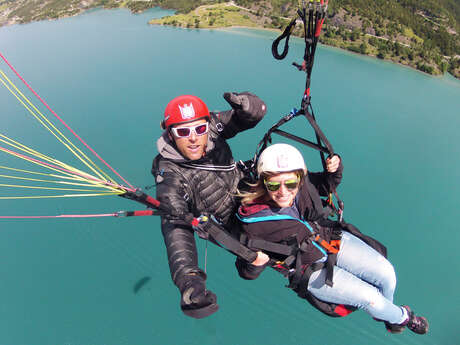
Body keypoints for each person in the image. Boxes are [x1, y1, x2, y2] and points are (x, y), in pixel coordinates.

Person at [235, 143, 429, 335]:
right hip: (308, 268)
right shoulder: (254, 222)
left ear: (300, 178)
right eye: (274, 185)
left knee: (388, 274)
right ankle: (403, 317)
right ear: (263, 183)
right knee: (371, 298)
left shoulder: (304, 186)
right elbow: (245, 269)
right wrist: (255, 264)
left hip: (330, 239)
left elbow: (327, 184)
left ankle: (385, 314)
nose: (284, 191)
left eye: (291, 183)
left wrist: (335, 169)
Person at [151, 92, 266, 319]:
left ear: (206, 125)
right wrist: (189, 282)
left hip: (251, 193)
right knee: (266, 249)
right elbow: (176, 228)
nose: (193, 138)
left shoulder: (211, 125)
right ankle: (249, 265)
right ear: (170, 134)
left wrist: (249, 106)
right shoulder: (170, 175)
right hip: (235, 223)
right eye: (183, 132)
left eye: (199, 130)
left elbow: (248, 117)